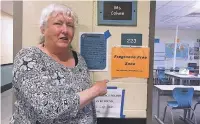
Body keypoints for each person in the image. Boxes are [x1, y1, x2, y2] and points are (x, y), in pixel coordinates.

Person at [10, 3, 108, 124]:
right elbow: (46, 109)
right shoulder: (29, 57)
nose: (65, 30)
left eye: (70, 25)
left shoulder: (79, 59)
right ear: (43, 29)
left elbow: (86, 105)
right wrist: (95, 91)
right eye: (58, 23)